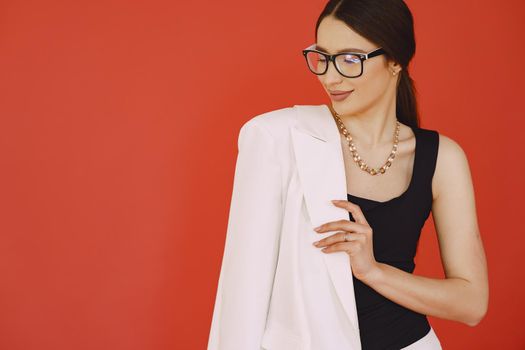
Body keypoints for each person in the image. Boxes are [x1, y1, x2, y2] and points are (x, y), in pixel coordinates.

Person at [207, 0, 489, 349]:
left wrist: (373, 271)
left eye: (350, 59)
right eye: (322, 57)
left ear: (396, 60)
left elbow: (471, 304)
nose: (330, 76)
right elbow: (242, 291)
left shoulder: (442, 157)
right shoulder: (277, 137)